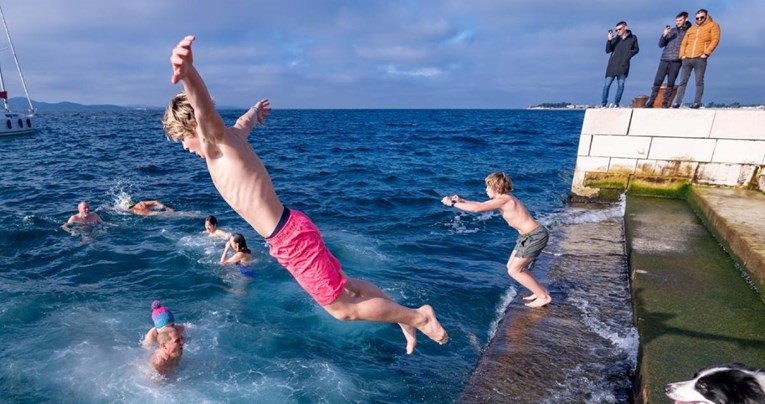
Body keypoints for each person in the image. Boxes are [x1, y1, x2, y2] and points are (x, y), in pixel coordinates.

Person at [161, 35, 447, 354]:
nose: (185, 148)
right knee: (348, 285)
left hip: (290, 238)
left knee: (341, 309)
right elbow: (244, 121)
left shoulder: (216, 144)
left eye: (181, 140)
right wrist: (256, 110)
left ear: (191, 128)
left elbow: (203, 108)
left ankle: (418, 316)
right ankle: (401, 317)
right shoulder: (233, 138)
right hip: (291, 229)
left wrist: (188, 73)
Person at [441, 172, 552, 308]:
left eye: (488, 187)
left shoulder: (504, 200)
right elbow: (481, 204)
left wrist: (452, 203)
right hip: (527, 236)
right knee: (512, 266)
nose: (485, 190)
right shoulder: (504, 199)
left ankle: (543, 297)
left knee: (515, 270)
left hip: (535, 236)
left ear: (497, 188)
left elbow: (478, 209)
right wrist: (461, 201)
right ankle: (540, 291)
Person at [673, 9, 721, 109]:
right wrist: (682, 55)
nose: (699, 19)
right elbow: (684, 43)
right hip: (687, 58)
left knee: (699, 81)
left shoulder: (713, 25)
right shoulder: (692, 29)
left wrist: (707, 53)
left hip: (700, 57)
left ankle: (696, 102)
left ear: (706, 16)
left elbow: (715, 40)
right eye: (697, 18)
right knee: (682, 81)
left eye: (701, 17)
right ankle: (677, 102)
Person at [645, 12, 691, 108]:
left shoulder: (689, 31)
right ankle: (651, 101)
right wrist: (664, 35)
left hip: (676, 60)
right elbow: (661, 45)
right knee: (657, 81)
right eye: (677, 20)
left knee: (671, 83)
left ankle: (665, 103)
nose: (677, 22)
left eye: (680, 20)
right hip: (665, 59)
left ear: (686, 19)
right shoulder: (672, 31)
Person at [601, 21, 639, 108]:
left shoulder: (633, 37)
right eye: (616, 30)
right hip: (612, 66)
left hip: (623, 65)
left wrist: (627, 55)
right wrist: (609, 40)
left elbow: (636, 49)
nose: (618, 31)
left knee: (621, 85)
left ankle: (616, 103)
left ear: (625, 28)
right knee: (606, 85)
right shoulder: (615, 40)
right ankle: (603, 103)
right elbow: (607, 50)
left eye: (619, 29)